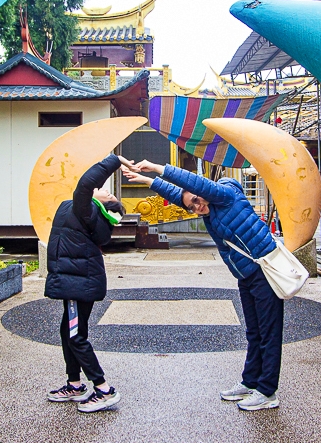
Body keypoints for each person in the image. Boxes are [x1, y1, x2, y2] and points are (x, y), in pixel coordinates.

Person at [124, 159, 283, 411]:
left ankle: (267, 391)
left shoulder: (225, 195)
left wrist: (157, 168)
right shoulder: (208, 205)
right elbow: (181, 194)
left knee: (269, 333)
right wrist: (147, 181)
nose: (198, 207)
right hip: (246, 274)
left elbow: (192, 184)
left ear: (206, 192)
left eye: (198, 200)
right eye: (192, 206)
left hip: (265, 271)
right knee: (254, 332)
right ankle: (250, 381)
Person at [45, 154, 132, 413]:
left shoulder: (88, 210)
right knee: (67, 332)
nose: (105, 190)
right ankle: (74, 384)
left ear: (108, 207)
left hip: (77, 281)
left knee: (75, 336)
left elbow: (84, 185)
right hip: (75, 278)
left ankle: (104, 388)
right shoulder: (80, 210)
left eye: (109, 195)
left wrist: (114, 160)